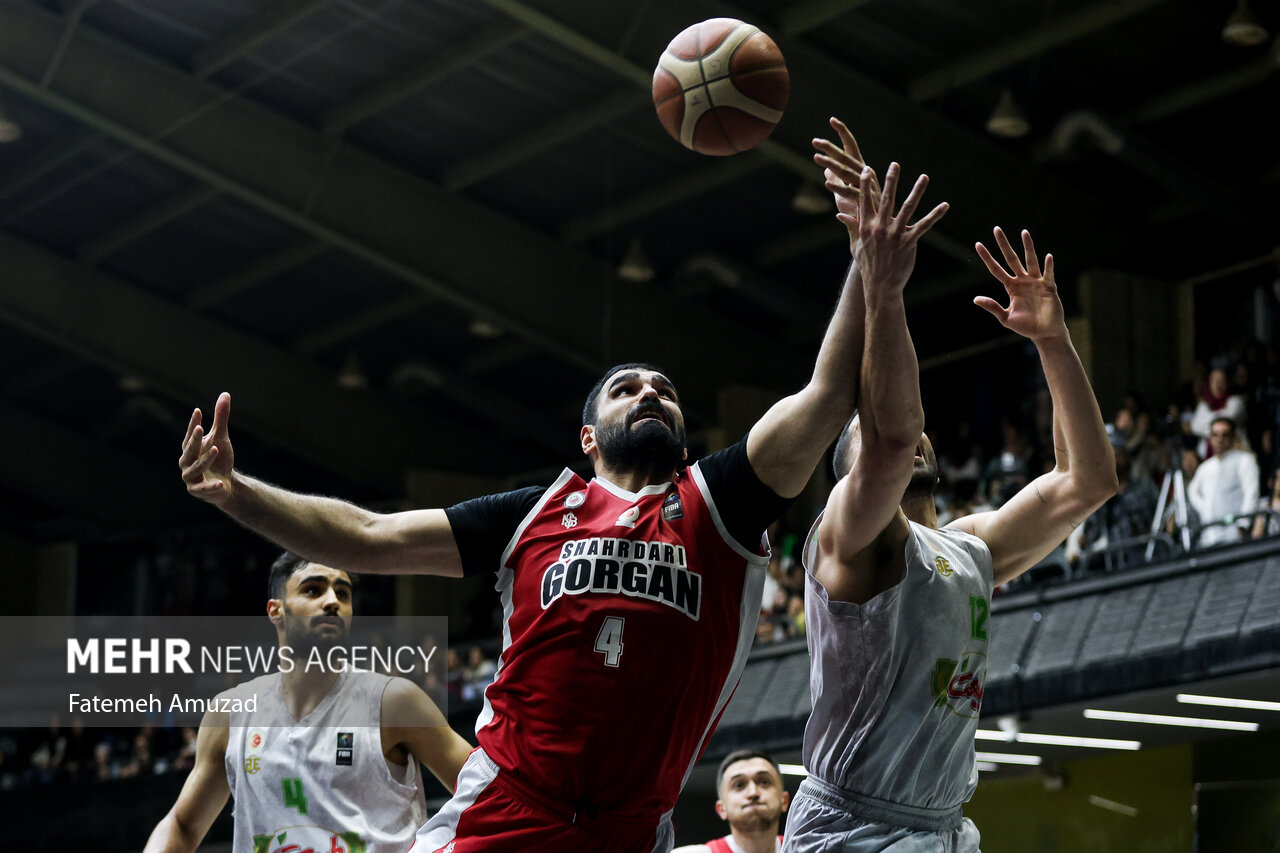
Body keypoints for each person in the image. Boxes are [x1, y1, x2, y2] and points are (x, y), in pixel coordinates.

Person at [177, 117, 947, 853]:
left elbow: (825, 393)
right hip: (509, 808)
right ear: (586, 438)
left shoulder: (722, 502)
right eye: (626, 389)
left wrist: (866, 266)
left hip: (630, 829)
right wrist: (236, 490)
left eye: (664, 390)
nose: (650, 393)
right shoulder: (533, 511)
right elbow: (367, 536)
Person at [784, 213, 1117, 852]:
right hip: (851, 827)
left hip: (942, 828)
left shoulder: (970, 549)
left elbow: (1088, 480)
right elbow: (893, 433)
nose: (905, 439)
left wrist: (1053, 340)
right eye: (865, 434)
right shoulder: (846, 539)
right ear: (847, 476)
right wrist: (881, 288)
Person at [142, 552, 471, 853]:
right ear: (276, 610)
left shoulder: (394, 702)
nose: (332, 601)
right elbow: (182, 826)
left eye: (343, 593)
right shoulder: (230, 713)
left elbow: (491, 791)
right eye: (314, 590)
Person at [673, 750, 790, 853]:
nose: (753, 792)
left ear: (784, 800)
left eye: (764, 782)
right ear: (721, 808)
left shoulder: (804, 848)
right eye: (739, 785)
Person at [1187, 417, 1260, 547]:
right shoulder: (1205, 467)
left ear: (1232, 437)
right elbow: (1192, 490)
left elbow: (1251, 493)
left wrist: (1243, 525)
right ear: (1210, 438)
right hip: (1210, 536)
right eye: (1215, 435)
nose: (1219, 439)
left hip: (1235, 536)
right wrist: (1204, 508)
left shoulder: (1245, 460)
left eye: (1224, 435)